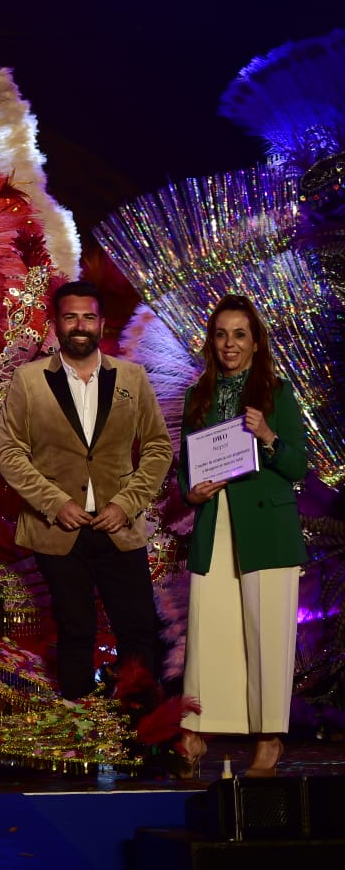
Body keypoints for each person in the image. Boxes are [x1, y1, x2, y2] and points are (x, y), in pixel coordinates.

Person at [0, 280, 172, 699]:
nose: (80, 325)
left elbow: (158, 447)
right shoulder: (29, 380)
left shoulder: (133, 377)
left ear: (101, 323)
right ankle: (82, 733)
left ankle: (139, 729)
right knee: (75, 628)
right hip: (57, 531)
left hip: (119, 527)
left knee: (138, 628)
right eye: (70, 317)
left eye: (88, 317)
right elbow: (9, 452)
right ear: (56, 324)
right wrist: (55, 503)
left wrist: (127, 504)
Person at [175, 295, 307, 778]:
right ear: (211, 341)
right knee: (210, 633)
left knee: (266, 635)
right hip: (216, 523)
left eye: (239, 335)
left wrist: (269, 437)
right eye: (221, 334)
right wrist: (191, 492)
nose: (229, 344)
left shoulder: (278, 391)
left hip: (267, 529)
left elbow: (298, 466)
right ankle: (194, 731)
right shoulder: (197, 396)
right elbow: (184, 467)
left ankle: (269, 739)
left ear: (255, 343)